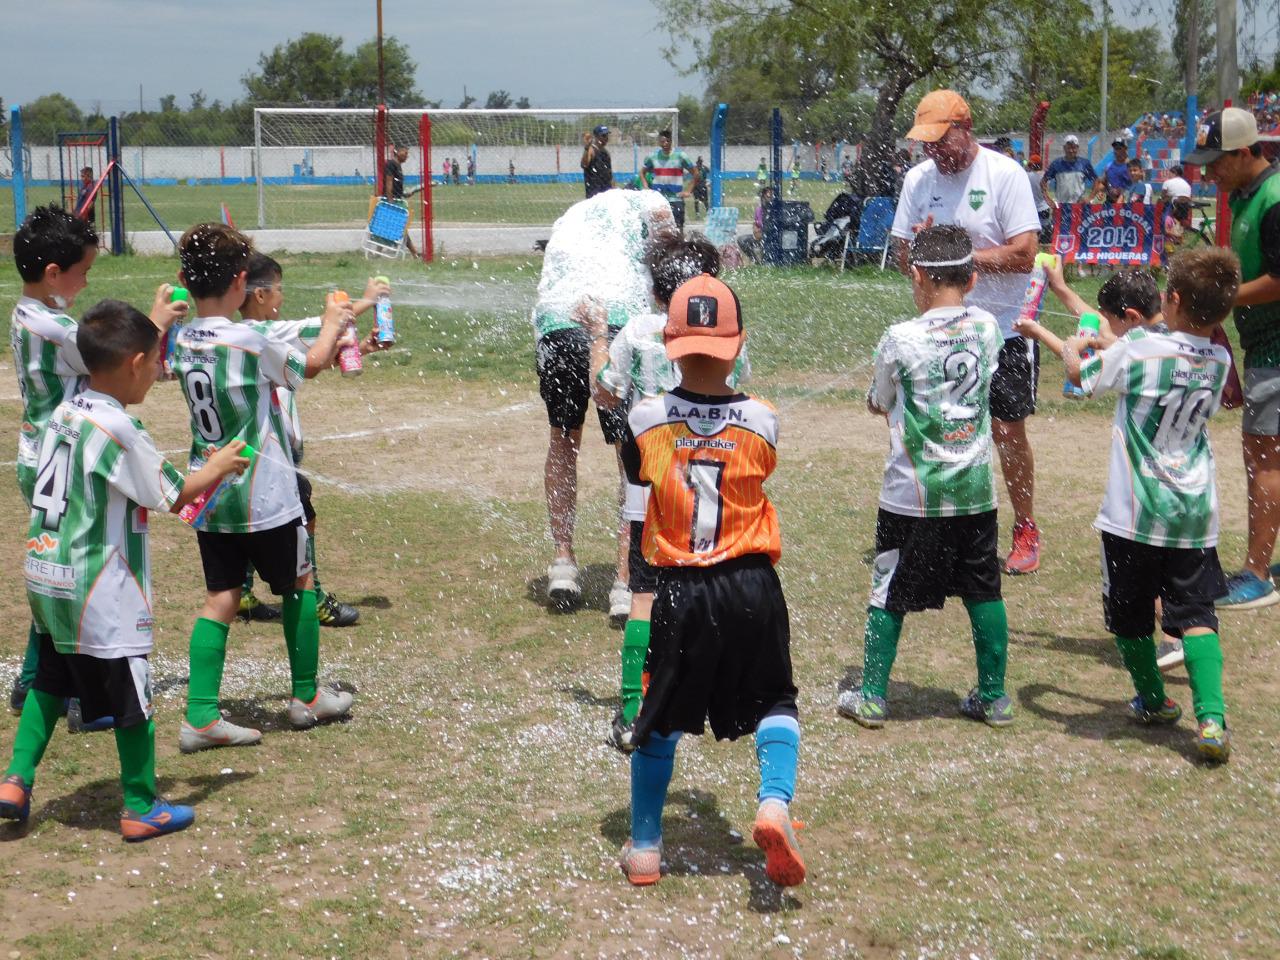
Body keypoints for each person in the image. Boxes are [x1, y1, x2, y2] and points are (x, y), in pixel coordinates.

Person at [0, 300, 250, 839]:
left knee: (50, 676)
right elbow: (173, 492)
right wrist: (221, 466)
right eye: (158, 362)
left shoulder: (65, 413)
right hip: (99, 585)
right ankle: (140, 805)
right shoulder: (117, 426)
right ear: (136, 362)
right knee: (131, 691)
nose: (162, 372)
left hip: (46, 570)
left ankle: (15, 780)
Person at [617, 274, 804, 890]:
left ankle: (645, 847)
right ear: (738, 343)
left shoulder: (645, 418)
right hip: (751, 583)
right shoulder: (762, 419)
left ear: (669, 340)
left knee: (661, 718)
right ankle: (774, 802)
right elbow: (759, 464)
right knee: (775, 700)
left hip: (679, 588)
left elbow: (637, 475)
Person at [1019, 249, 1240, 762]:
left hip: (1134, 516)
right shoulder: (1219, 359)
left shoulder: (1140, 353)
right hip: (1193, 515)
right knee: (1197, 613)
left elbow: (1081, 377)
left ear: (1175, 299)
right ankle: (1211, 718)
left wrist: (1076, 347)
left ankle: (1155, 701)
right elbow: (1148, 350)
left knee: (1131, 615)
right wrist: (1100, 334)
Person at [170, 223, 380, 752]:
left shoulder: (185, 338)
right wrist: (334, 321)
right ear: (242, 283)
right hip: (263, 494)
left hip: (209, 490)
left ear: (184, 280)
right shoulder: (249, 337)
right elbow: (306, 364)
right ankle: (307, 698)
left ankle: (199, 716)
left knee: (221, 596)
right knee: (299, 585)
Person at [8, 207, 186, 721]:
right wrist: (156, 319)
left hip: (46, 451)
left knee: (57, 561)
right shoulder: (56, 329)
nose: (86, 283)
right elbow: (115, 358)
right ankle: (55, 683)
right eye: (83, 272)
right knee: (72, 563)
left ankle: (40, 682)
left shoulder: (28, 313)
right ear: (52, 274)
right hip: (62, 455)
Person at [837, 225, 1012, 730]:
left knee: (888, 588)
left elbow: (880, 400)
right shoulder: (986, 327)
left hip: (912, 495)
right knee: (984, 590)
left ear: (917, 276)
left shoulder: (901, 336)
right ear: (973, 278)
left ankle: (871, 695)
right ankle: (995, 696)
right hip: (976, 491)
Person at [577, 234, 743, 750]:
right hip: (711, 489)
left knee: (644, 597)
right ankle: (718, 692)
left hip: (650, 491)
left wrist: (599, 336)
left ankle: (632, 707)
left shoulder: (637, 333)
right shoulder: (728, 335)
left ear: (653, 291)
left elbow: (603, 391)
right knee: (712, 589)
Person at [891, 90, 1044, 575]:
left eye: (940, 140)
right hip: (939, 331)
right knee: (940, 430)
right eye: (926, 142)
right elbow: (901, 258)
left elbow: (1025, 253)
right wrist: (920, 247)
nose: (933, 151)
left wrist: (958, 256)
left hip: (1002, 330)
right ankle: (943, 528)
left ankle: (1025, 527)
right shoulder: (918, 179)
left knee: (1005, 430)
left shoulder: (1004, 174)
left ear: (965, 127)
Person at [532, 190, 677, 616]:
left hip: (558, 320)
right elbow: (668, 261)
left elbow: (548, 281)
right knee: (627, 451)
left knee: (563, 436)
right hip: (615, 322)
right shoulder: (652, 202)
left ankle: (563, 561)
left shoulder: (572, 215)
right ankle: (624, 580)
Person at [235, 253, 382, 628]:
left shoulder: (252, 338)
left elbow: (312, 362)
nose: (283, 297)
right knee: (303, 517)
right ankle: (312, 595)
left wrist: (359, 349)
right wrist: (364, 301)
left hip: (272, 452)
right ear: (261, 294)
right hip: (272, 453)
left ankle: (242, 590)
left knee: (252, 522)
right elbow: (322, 327)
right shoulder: (264, 333)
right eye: (279, 289)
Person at [1187, 108, 1280, 608]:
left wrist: (1223, 300)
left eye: (1217, 162)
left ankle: (1257, 573)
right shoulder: (1248, 196)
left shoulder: (1274, 199)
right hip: (1265, 344)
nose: (1209, 173)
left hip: (1277, 348)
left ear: (1244, 153)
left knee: (1263, 457)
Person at [642, 130, 699, 231]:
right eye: (662, 141)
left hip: (676, 199)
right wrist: (646, 187)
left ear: (671, 141)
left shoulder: (680, 156)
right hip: (658, 200)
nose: (665, 144)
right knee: (658, 230)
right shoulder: (653, 157)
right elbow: (642, 172)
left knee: (678, 230)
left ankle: (679, 245)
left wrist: (688, 191)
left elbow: (695, 173)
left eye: (667, 141)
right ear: (659, 142)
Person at [382, 144, 419, 258]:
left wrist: (406, 194)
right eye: (405, 153)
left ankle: (414, 253)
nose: (407, 156)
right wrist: (390, 201)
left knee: (396, 227)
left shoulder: (398, 166)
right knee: (401, 228)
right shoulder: (391, 164)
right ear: (397, 152)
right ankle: (414, 253)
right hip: (392, 202)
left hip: (397, 199)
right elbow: (389, 182)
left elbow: (397, 187)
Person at [1044, 135, 1097, 208]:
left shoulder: (1084, 164)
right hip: (1061, 206)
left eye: (1074, 148)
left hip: (1079, 207)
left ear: (1078, 148)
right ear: (1064, 148)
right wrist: (1048, 200)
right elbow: (1043, 182)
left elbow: (1097, 181)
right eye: (1068, 148)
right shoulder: (1056, 164)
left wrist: (1090, 198)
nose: (1071, 150)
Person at [1025, 154, 1053, 243]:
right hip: (1044, 207)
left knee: (1033, 234)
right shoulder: (1045, 175)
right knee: (1045, 232)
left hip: (1032, 209)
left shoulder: (1027, 176)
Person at [581, 125, 613, 198]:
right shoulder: (591, 150)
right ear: (596, 137)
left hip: (607, 191)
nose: (606, 138)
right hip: (594, 192)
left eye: (607, 135)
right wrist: (586, 148)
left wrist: (613, 189)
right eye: (603, 135)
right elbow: (584, 165)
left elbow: (610, 173)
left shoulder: (606, 152)